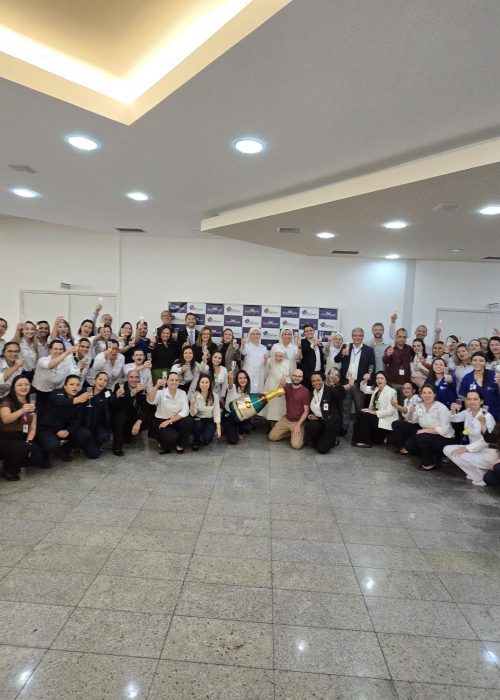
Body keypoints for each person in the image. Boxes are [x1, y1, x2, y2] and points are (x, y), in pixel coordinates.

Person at [36, 374, 95, 462]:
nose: (75, 387)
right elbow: (60, 401)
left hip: (64, 429)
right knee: (52, 445)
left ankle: (64, 450)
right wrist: (76, 400)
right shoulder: (56, 393)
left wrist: (68, 431)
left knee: (84, 433)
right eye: (72, 384)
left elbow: (78, 420)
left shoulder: (79, 398)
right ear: (65, 386)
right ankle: (53, 453)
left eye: (77, 385)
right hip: (47, 429)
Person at [443, 389, 497, 484]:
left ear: (481, 401)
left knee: (458, 454)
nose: (471, 402)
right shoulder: (468, 412)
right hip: (473, 450)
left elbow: (486, 440)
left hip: (488, 452)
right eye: (469, 399)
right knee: (447, 449)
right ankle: (477, 472)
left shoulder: (486, 416)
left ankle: (480, 476)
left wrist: (466, 449)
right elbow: (454, 419)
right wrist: (453, 410)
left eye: (475, 399)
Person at [0, 376, 47, 479]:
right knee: (23, 448)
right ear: (13, 387)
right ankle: (9, 471)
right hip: (5, 437)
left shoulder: (31, 403)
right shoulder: (6, 401)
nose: (24, 387)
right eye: (20, 385)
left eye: (26, 384)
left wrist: (29, 442)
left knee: (38, 458)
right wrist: (22, 410)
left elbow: (33, 427)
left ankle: (13, 460)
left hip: (22, 437)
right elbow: (6, 419)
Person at [402, 384, 455, 470]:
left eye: (430, 393)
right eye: (424, 393)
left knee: (421, 437)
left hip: (444, 437)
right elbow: (413, 420)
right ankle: (432, 456)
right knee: (409, 445)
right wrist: (411, 412)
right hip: (428, 435)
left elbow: (444, 430)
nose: (427, 395)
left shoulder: (441, 408)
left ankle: (429, 463)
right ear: (421, 395)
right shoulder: (419, 406)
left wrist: (424, 431)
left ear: (434, 394)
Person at [335, 327, 376, 430]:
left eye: (360, 335)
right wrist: (342, 353)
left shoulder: (369, 350)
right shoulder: (346, 346)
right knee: (345, 407)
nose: (357, 338)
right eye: (355, 335)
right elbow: (336, 359)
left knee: (359, 408)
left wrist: (369, 376)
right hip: (346, 382)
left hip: (359, 383)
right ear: (352, 336)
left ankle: (358, 430)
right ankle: (344, 429)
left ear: (363, 336)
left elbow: (372, 366)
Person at [148, 372, 193, 454]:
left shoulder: (182, 393)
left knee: (188, 421)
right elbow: (150, 400)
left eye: (176, 380)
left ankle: (180, 444)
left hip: (174, 420)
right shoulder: (161, 392)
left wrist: (169, 421)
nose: (174, 382)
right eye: (172, 380)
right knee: (170, 441)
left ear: (179, 382)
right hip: (161, 421)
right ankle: (159, 438)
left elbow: (185, 411)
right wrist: (156, 386)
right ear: (167, 381)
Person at [351, 371, 398, 448]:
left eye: (381, 378)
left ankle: (365, 442)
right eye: (377, 378)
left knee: (364, 415)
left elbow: (391, 411)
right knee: (361, 412)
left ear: (386, 380)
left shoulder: (391, 391)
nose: (379, 380)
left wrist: (374, 412)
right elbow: (364, 389)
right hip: (378, 418)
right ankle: (359, 440)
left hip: (386, 420)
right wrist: (365, 380)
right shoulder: (376, 389)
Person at [110, 369, 150, 456]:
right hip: (119, 416)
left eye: (136, 377)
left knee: (147, 419)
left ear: (139, 378)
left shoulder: (142, 388)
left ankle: (128, 435)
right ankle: (117, 446)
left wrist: (139, 422)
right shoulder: (119, 386)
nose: (134, 379)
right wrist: (134, 391)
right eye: (131, 377)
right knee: (121, 416)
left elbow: (145, 408)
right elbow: (118, 402)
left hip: (132, 416)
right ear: (127, 378)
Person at [268, 368, 310, 449]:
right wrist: (280, 385)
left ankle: (301, 432)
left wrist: (298, 425)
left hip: (297, 422)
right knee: (272, 437)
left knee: (296, 446)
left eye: (299, 376)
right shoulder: (287, 386)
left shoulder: (305, 391)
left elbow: (306, 411)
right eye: (295, 375)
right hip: (286, 419)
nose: (296, 378)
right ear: (291, 376)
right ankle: (289, 433)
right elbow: (278, 394)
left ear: (302, 378)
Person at [31, 339, 79, 409]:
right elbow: (50, 365)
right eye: (55, 349)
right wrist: (67, 353)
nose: (58, 351)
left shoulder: (66, 363)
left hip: (53, 393)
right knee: (36, 412)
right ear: (50, 350)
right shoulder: (43, 360)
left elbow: (71, 376)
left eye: (61, 349)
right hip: (38, 392)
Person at [304, 372, 344, 453]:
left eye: (318, 380)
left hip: (330, 423)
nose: (316, 383)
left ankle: (334, 438)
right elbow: (310, 408)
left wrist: (337, 384)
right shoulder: (312, 392)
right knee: (311, 427)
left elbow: (341, 395)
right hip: (318, 420)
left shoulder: (330, 390)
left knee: (321, 449)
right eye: (313, 381)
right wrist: (310, 415)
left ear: (323, 380)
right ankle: (322, 438)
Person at [80, 371, 113, 457]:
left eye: (105, 381)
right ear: (95, 380)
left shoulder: (107, 392)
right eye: (100, 379)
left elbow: (112, 401)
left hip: (99, 426)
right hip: (86, 426)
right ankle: (84, 443)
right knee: (93, 454)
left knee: (104, 437)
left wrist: (116, 396)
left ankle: (94, 443)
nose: (102, 382)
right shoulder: (86, 390)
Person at [459, 352, 500, 420]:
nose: (477, 363)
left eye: (481, 361)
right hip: (476, 416)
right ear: (471, 362)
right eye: (475, 360)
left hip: (495, 414)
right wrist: (470, 416)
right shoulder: (467, 378)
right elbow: (466, 399)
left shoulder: (493, 375)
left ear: (485, 363)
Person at [222, 369, 255, 444]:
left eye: (244, 378)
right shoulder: (233, 387)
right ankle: (227, 428)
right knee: (233, 441)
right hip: (229, 416)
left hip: (240, 416)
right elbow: (230, 385)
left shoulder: (247, 392)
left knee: (249, 427)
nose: (242, 380)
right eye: (240, 378)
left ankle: (240, 431)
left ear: (247, 379)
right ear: (236, 379)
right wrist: (230, 378)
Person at [190, 374, 221, 449]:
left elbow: (216, 411)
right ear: (199, 384)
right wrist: (192, 404)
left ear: (210, 384)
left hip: (209, 419)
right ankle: (196, 440)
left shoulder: (214, 396)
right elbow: (192, 414)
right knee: (198, 425)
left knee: (207, 438)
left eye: (207, 382)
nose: (204, 385)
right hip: (198, 419)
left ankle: (205, 435)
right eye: (202, 382)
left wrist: (218, 426)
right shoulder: (195, 395)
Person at [390, 381, 422, 453]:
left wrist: (396, 405)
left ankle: (402, 448)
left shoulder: (417, 399)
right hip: (410, 423)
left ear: (414, 390)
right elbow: (406, 414)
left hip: (417, 425)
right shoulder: (406, 400)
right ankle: (403, 447)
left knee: (396, 424)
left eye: (408, 388)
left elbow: (407, 411)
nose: (405, 390)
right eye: (404, 388)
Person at [382, 328, 412, 399]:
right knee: (391, 403)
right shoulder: (390, 348)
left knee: (403, 404)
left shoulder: (410, 349)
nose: (402, 339)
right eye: (400, 336)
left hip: (405, 384)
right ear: (396, 337)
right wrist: (388, 355)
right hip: (392, 383)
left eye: (404, 337)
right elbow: (385, 361)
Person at [262, 347, 290, 422]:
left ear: (283, 356)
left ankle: (279, 421)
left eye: (280, 356)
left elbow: (288, 374)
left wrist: (283, 381)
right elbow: (265, 365)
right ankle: (270, 420)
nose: (278, 358)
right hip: (270, 384)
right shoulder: (270, 360)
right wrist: (265, 360)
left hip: (282, 384)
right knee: (271, 403)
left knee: (280, 404)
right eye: (276, 356)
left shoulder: (288, 362)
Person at [240, 327, 268, 394]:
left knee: (258, 394)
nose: (255, 336)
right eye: (253, 334)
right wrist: (243, 344)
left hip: (260, 374)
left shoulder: (264, 348)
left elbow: (266, 362)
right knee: (248, 393)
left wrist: (266, 361)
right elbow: (243, 351)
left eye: (257, 334)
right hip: (249, 373)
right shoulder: (247, 346)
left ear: (260, 335)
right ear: (250, 335)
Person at [299, 324, 324, 390]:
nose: (309, 332)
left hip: (319, 374)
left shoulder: (319, 342)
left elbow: (322, 357)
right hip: (307, 376)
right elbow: (304, 350)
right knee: (307, 394)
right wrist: (313, 344)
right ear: (304, 333)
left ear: (314, 331)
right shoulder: (302, 342)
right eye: (306, 331)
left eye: (310, 330)